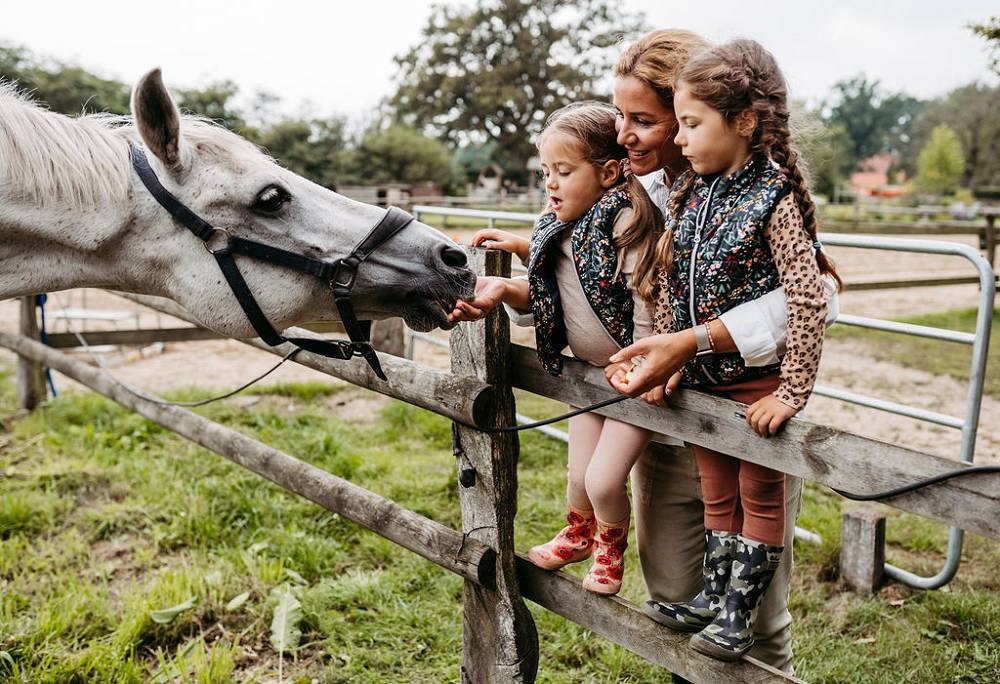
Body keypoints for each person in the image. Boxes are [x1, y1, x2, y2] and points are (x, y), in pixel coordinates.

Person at [610, 38, 838, 662]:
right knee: (715, 501)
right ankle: (716, 599)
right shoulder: (684, 192)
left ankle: (738, 613)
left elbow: (811, 294)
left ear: (741, 122)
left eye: (678, 123)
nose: (672, 139)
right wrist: (669, 351)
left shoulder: (772, 195)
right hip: (701, 394)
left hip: (753, 387)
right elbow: (667, 281)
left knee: (759, 507)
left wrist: (790, 389)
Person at [449, 101, 663, 596]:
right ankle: (578, 534)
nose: (550, 183)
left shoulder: (625, 226)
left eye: (564, 171)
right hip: (586, 375)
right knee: (578, 476)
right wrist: (506, 284)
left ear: (608, 172)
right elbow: (551, 290)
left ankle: (610, 549)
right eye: (547, 171)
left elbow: (644, 299)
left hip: (629, 380)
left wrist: (646, 359)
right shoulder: (558, 228)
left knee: (604, 481)